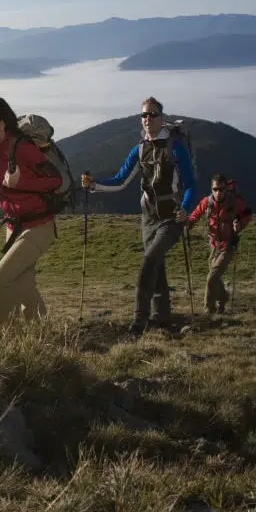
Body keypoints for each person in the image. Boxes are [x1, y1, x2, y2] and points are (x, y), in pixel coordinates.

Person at [79, 96, 198, 334]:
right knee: (157, 265)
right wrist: (94, 185)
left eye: (152, 114)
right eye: (143, 115)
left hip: (171, 216)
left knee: (149, 261)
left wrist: (186, 208)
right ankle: (162, 316)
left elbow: (192, 184)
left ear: (161, 118)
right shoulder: (139, 149)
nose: (147, 119)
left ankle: (139, 322)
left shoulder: (175, 148)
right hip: (148, 216)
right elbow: (121, 180)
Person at [0, 98, 65, 328]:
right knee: (22, 285)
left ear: (2, 125)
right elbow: (6, 185)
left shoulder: (22, 148)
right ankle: (41, 334)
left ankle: (6, 339)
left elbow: (54, 180)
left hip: (38, 226)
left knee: (0, 279)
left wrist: (21, 181)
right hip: (13, 226)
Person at [186, 174, 253, 315]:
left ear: (226, 189)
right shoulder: (207, 202)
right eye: (215, 189)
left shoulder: (235, 202)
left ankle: (208, 310)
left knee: (212, 277)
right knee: (215, 277)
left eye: (221, 189)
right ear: (211, 189)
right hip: (214, 246)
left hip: (228, 246)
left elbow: (248, 214)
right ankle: (223, 297)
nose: (218, 192)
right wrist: (189, 223)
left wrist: (240, 224)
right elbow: (196, 213)